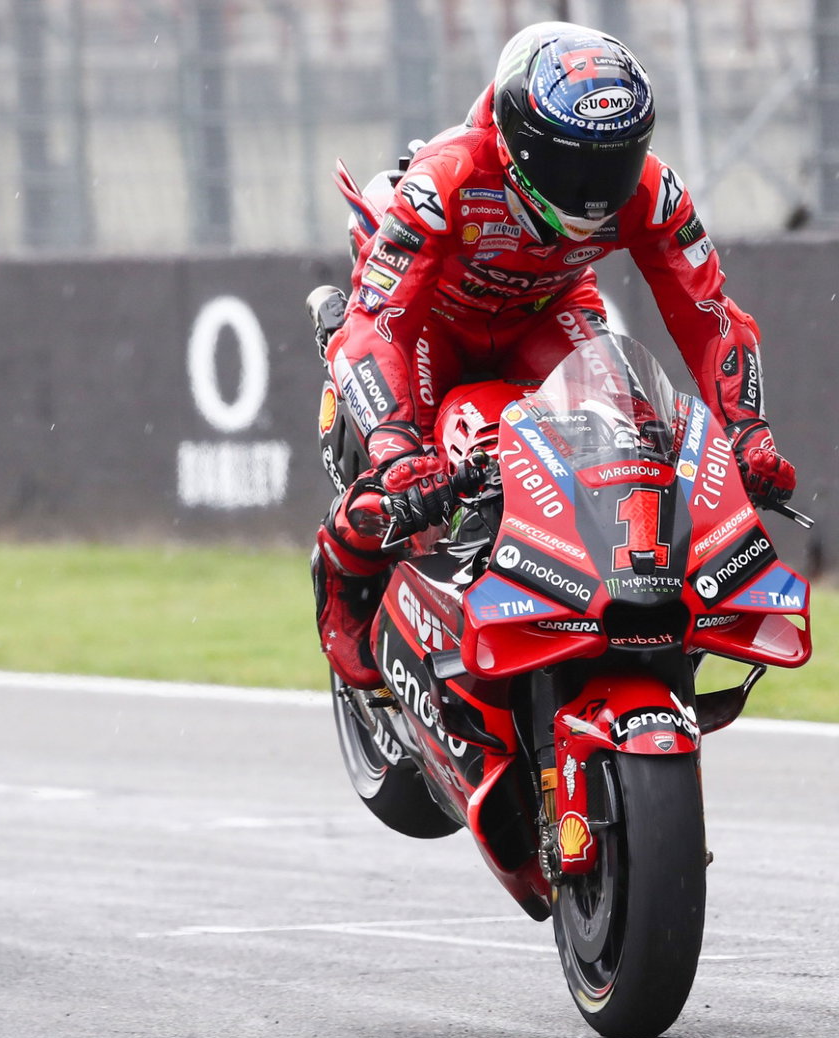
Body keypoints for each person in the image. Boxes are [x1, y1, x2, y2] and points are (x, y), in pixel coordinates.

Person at [313, 20, 797, 690]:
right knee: (406, 478)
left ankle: (619, 601)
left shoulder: (653, 192)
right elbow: (374, 325)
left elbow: (713, 318)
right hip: (432, 327)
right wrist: (396, 447)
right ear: (519, 140)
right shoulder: (448, 177)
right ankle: (343, 573)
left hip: (549, 313)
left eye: (616, 160)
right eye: (574, 162)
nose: (597, 189)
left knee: (632, 433)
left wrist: (749, 432)